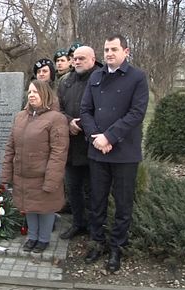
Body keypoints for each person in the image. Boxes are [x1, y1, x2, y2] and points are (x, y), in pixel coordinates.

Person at [80, 34, 149, 272]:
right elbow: (85, 110)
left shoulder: (137, 77)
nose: (109, 53)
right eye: (106, 49)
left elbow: (137, 113)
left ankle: (116, 248)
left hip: (124, 154)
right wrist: (95, 137)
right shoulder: (96, 77)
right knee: (97, 201)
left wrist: (109, 137)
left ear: (125, 51)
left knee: (122, 204)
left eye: (114, 49)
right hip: (97, 152)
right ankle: (97, 242)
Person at [2, 80, 69, 253]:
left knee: (45, 208)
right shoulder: (20, 117)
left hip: (43, 174)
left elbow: (58, 152)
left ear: (45, 94)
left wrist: (51, 180)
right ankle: (32, 237)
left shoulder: (56, 119)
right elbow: (11, 146)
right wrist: (6, 174)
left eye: (36, 92)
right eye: (30, 92)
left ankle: (44, 239)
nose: (31, 95)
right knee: (29, 206)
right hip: (23, 174)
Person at [57, 46, 102, 240]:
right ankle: (78, 223)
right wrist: (68, 122)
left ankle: (95, 228)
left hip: (93, 143)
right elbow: (57, 108)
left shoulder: (101, 78)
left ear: (92, 59)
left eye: (81, 58)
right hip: (71, 145)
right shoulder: (65, 81)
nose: (76, 62)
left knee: (93, 190)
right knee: (73, 188)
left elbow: (105, 108)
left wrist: (83, 123)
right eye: (74, 59)